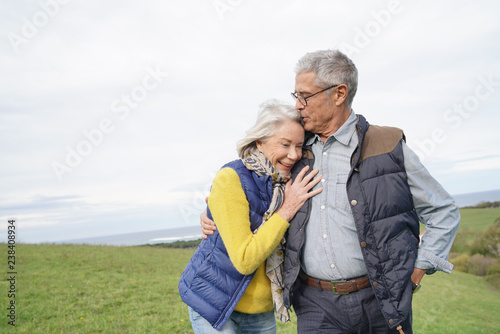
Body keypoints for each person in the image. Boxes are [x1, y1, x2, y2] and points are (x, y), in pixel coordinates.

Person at [200, 50, 460, 333]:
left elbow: (443, 211)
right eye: (295, 96)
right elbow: (248, 185)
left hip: (381, 301)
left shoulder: (387, 145)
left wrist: (417, 273)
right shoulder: (294, 148)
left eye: (305, 96)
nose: (298, 106)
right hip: (314, 304)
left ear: (339, 94)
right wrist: (210, 213)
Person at [179, 100, 323, 333]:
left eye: (299, 145)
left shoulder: (289, 182)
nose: (294, 154)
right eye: (285, 144)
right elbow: (245, 260)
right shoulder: (231, 178)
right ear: (260, 142)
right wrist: (288, 208)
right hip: (214, 302)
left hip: (260, 310)